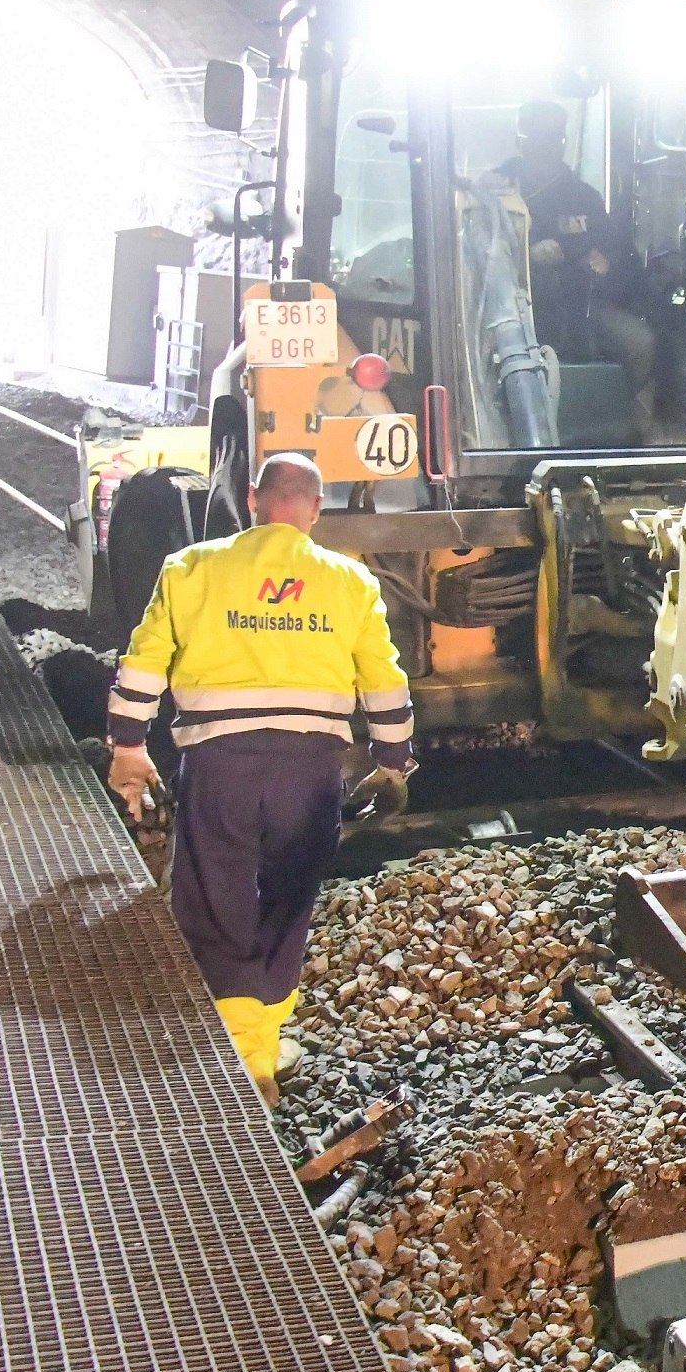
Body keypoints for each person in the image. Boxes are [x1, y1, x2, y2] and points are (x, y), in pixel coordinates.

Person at [105, 455, 414, 1102]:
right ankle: (259, 1050)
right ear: (316, 508)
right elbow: (384, 680)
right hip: (311, 772)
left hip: (222, 765)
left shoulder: (192, 568)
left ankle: (237, 1051)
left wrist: (129, 746)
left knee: (216, 896)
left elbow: (144, 663)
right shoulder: (352, 582)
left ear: (252, 499)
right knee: (287, 902)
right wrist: (393, 760)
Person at [502, 98, 660, 434]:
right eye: (538, 140)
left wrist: (607, 264)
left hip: (582, 305)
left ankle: (638, 437)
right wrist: (526, 254)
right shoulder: (497, 190)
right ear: (522, 143)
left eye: (554, 140)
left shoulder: (583, 196)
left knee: (641, 342)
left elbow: (618, 253)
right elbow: (471, 252)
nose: (547, 149)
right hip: (509, 312)